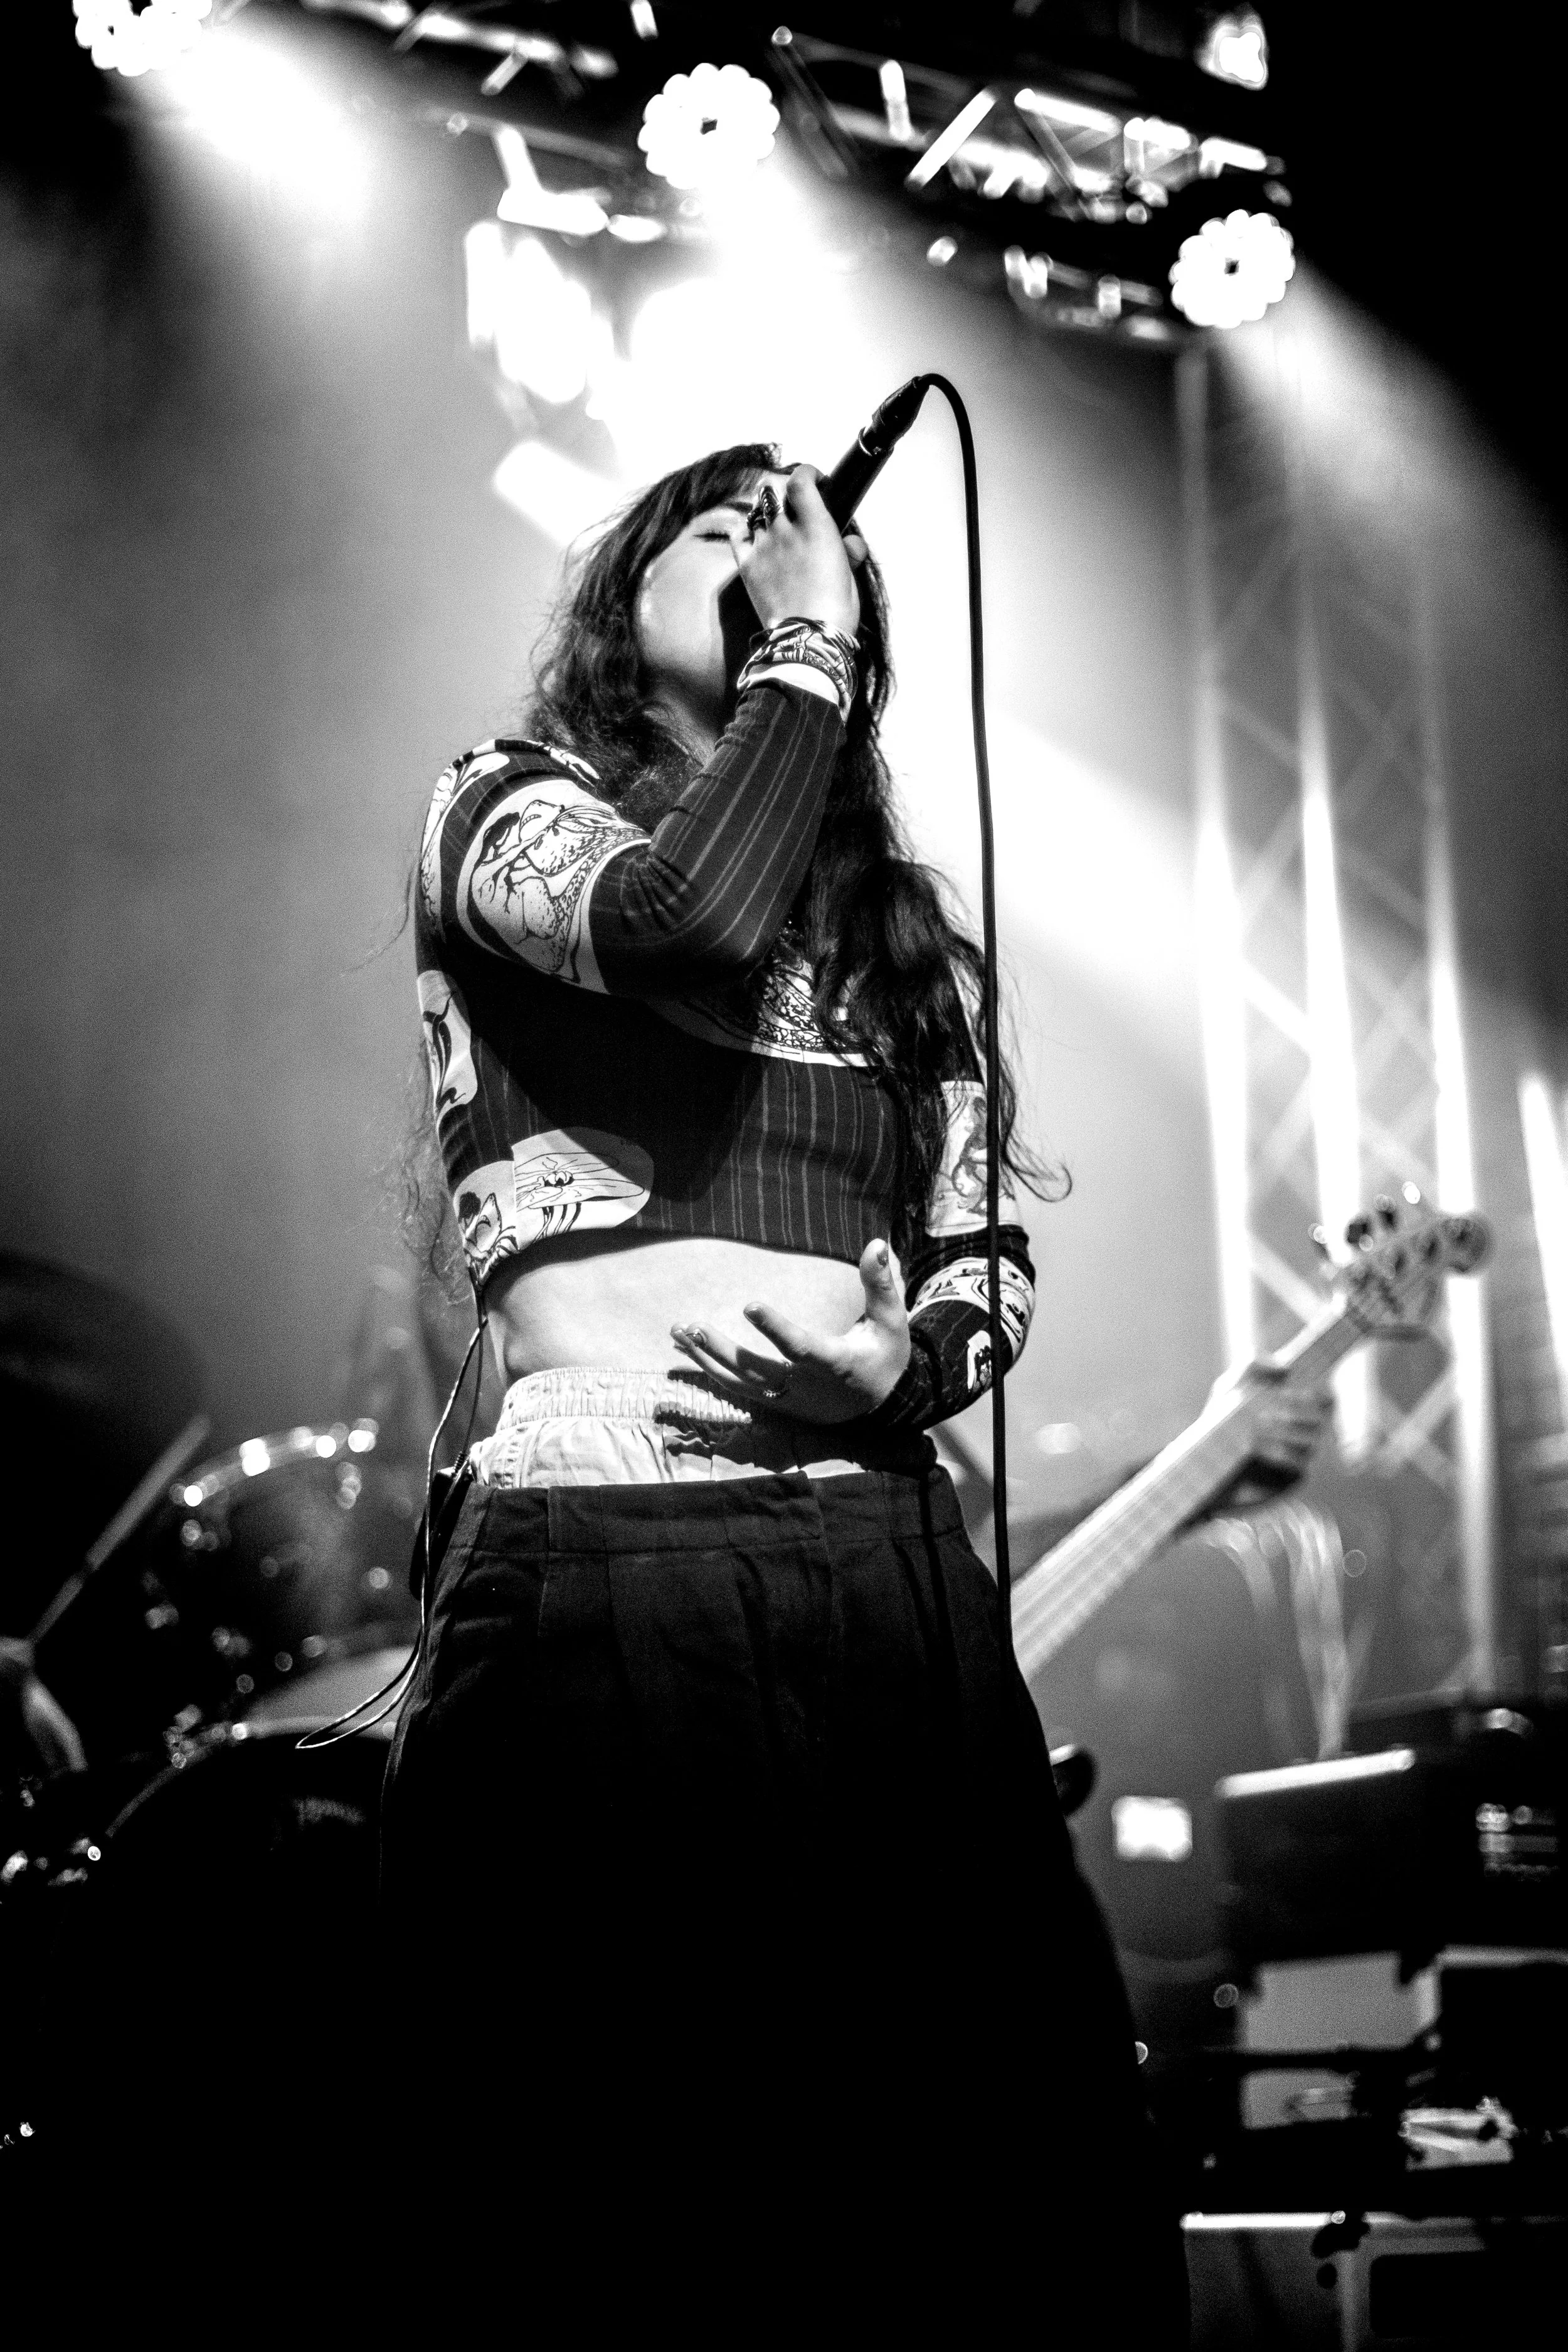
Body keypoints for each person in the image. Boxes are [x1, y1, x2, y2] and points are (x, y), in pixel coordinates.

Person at [383, 450, 1318, 2319]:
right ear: (620, 594)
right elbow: (677, 921)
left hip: (879, 1558)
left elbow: (982, 1258)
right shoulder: (501, 808)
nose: (757, 556)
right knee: (625, 2176)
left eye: (790, 542)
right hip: (610, 1550)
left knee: (1006, 2154)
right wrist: (805, 645)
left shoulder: (902, 949)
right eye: (711, 529)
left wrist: (904, 1367)